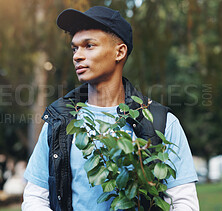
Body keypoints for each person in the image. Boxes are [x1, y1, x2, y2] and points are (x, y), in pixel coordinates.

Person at [22, 6, 199, 211]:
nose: (77, 56)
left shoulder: (161, 122)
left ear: (119, 51)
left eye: (89, 45)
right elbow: (35, 198)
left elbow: (184, 203)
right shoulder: (59, 121)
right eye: (74, 48)